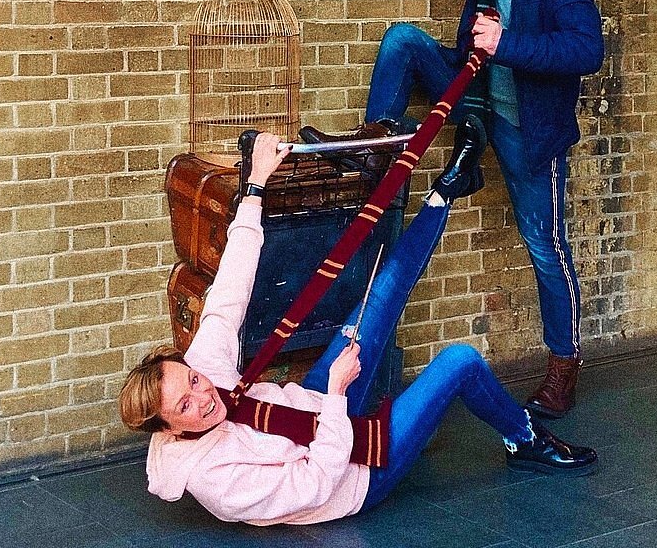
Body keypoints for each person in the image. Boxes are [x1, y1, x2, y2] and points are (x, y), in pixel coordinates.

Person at [303, 0, 604, 419]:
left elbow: (585, 53)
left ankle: (564, 363)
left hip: (527, 125)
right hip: (471, 92)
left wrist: (508, 42)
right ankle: (377, 149)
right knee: (403, 41)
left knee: (545, 246)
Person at [119, 126, 597, 527]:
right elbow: (316, 482)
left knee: (377, 300)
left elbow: (230, 290)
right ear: (169, 429)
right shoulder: (215, 484)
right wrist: (334, 395)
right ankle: (525, 439)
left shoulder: (201, 372)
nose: (204, 396)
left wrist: (256, 187)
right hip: (357, 473)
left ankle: (444, 192)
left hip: (316, 403)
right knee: (460, 362)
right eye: (185, 404)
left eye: (195, 381)